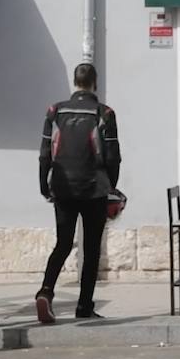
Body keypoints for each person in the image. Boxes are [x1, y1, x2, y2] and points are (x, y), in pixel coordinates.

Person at [35, 63, 122, 323]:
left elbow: (44, 153)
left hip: (62, 187)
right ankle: (84, 305)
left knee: (62, 243)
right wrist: (111, 186)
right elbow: (113, 156)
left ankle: (45, 291)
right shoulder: (104, 112)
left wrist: (44, 185)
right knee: (92, 248)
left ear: (75, 82)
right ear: (94, 83)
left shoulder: (55, 110)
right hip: (94, 188)